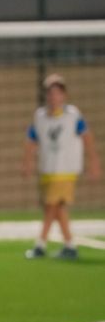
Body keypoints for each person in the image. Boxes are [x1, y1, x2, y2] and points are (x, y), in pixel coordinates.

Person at [23, 73, 101, 259]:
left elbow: (87, 138)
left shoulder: (73, 115)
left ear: (64, 95)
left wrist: (94, 162)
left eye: (57, 93)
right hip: (47, 169)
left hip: (66, 169)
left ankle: (41, 244)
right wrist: (27, 162)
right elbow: (32, 140)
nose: (53, 97)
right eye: (50, 93)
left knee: (52, 206)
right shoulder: (40, 116)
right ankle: (69, 245)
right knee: (56, 208)